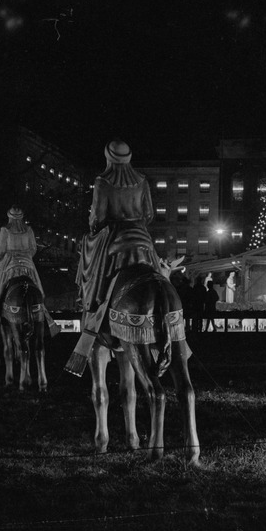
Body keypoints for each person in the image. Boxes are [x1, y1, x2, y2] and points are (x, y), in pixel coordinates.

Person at [68, 139, 162, 371]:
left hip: (114, 238)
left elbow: (98, 218)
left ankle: (92, 301)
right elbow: (148, 214)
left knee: (91, 260)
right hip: (141, 239)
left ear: (108, 158)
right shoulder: (141, 180)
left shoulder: (103, 181)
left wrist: (93, 229)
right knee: (158, 275)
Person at [0, 206, 58, 338]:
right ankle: (47, 318)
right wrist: (25, 255)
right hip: (27, 264)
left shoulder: (5, 230)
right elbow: (33, 249)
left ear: (9, 217)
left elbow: (0, 252)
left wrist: (3, 259)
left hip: (9, 263)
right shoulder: (29, 230)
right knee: (38, 289)